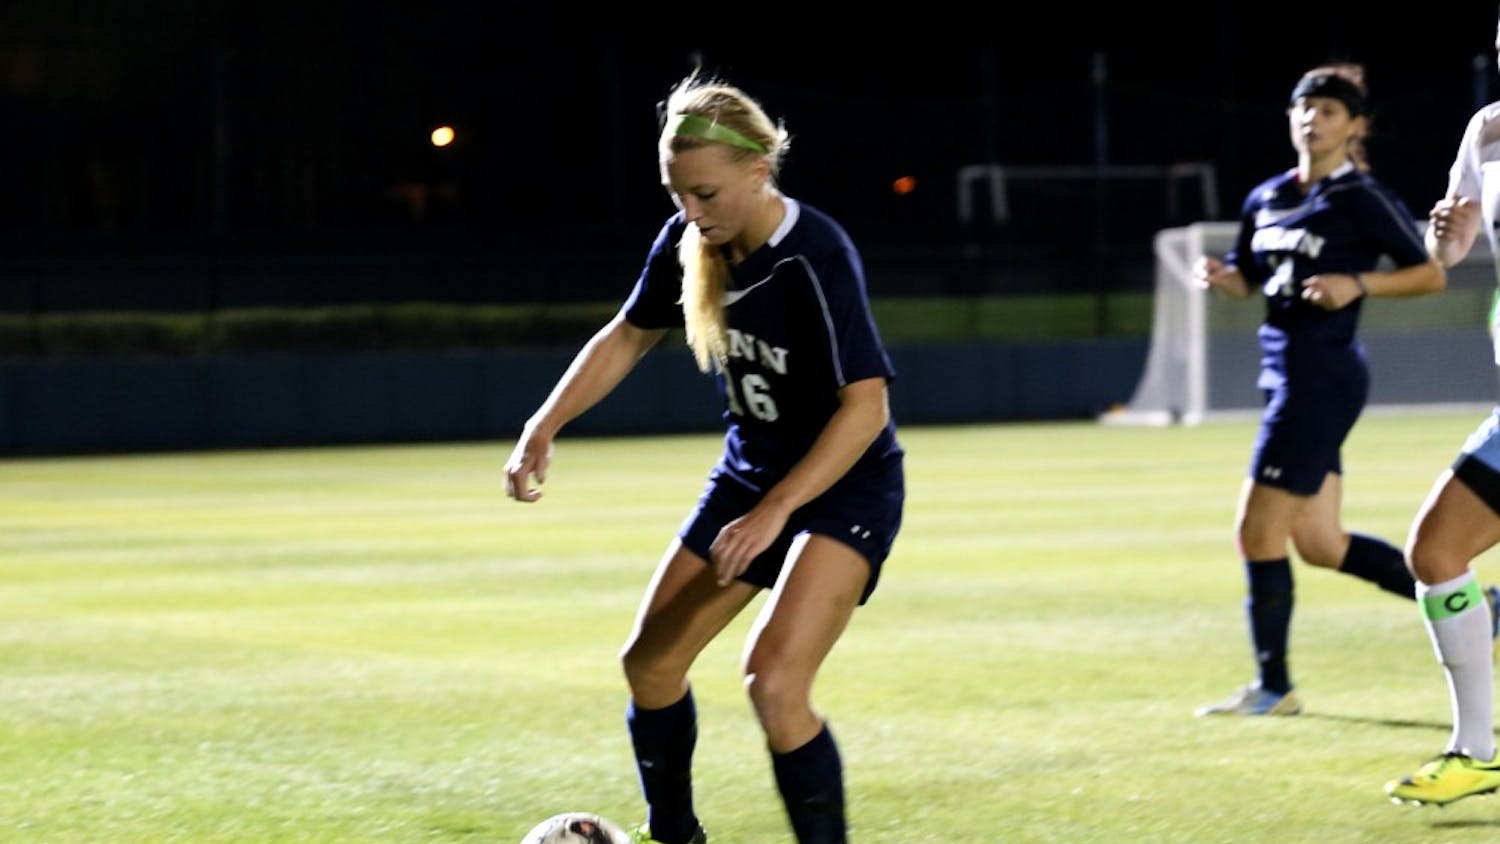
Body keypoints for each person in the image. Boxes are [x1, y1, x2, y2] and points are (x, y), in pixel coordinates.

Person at [503, 70, 904, 844]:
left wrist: (778, 510)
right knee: (650, 667)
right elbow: (627, 334)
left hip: (842, 488)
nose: (691, 211)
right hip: (750, 477)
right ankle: (675, 836)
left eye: (706, 193)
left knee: (775, 681)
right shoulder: (691, 241)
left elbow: (867, 407)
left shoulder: (813, 253)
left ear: (759, 169)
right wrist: (544, 424)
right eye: (677, 194)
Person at [1191, 63, 1456, 717]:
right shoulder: (1266, 197)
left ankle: (1275, 687)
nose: (1314, 119)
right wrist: (1227, 279)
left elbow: (1428, 275)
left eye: (1331, 111)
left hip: (1319, 379)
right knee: (1320, 543)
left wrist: (1357, 284)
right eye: (1305, 109)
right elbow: (1255, 277)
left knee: (1256, 535)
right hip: (1284, 375)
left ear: (1356, 127)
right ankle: (1492, 609)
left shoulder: (1358, 197)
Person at [1384, 18, 1500, 807]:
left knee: (1435, 546)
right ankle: (1477, 752)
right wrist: (1447, 241)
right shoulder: (1486, 131)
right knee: (1436, 552)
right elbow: (1454, 244)